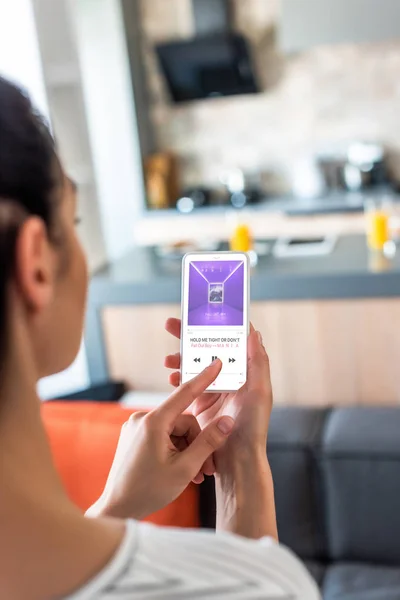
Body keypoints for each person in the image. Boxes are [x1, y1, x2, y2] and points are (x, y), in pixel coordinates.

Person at [0, 75, 320, 600]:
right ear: (35, 264)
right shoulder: (255, 586)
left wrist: (112, 508)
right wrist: (241, 463)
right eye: (74, 221)